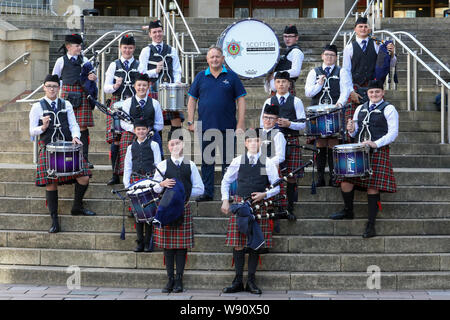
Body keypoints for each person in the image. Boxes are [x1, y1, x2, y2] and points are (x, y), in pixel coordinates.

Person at [330, 80, 399, 238]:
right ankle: (348, 211)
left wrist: (375, 143)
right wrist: (351, 129)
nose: (374, 95)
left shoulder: (389, 108)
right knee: (346, 181)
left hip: (377, 150)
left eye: (377, 92)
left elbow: (393, 133)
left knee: (372, 186)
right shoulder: (360, 108)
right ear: (367, 94)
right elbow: (354, 133)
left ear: (383, 93)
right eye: (371, 93)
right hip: (358, 150)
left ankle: (371, 224)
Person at [29, 74, 96, 234]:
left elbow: (74, 124)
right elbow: (32, 131)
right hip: (48, 148)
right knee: (51, 183)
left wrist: (76, 137)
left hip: (67, 147)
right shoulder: (37, 106)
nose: (52, 89)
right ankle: (54, 220)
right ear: (44, 87)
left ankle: (77, 206)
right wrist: (43, 128)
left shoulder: (65, 104)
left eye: (55, 86)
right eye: (49, 86)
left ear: (59, 88)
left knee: (84, 176)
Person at [221, 130, 280, 294]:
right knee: (238, 244)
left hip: (259, 205)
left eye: (256, 140)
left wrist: (264, 194)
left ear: (260, 142)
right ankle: (238, 281)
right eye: (250, 141)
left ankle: (251, 282)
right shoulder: (238, 161)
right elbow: (226, 181)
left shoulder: (266, 162)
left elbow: (277, 186)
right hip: (240, 205)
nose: (253, 143)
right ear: (246, 143)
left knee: (255, 244)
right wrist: (225, 200)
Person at [187, 46, 247, 202]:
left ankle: (228, 193)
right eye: (211, 57)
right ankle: (208, 192)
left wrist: (241, 123)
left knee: (229, 162)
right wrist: (190, 121)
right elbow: (192, 99)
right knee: (207, 161)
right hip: (205, 126)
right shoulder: (200, 77)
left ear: (223, 58)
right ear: (207, 59)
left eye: (217, 57)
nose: (214, 59)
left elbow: (240, 99)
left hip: (228, 126)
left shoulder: (232, 77)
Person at [152, 128, 205, 293]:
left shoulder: (191, 165)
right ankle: (169, 280)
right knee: (168, 247)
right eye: (172, 143)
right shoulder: (162, 165)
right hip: (166, 210)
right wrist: (161, 184)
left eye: (178, 143)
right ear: (168, 146)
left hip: (184, 207)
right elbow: (154, 188)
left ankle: (179, 280)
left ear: (183, 145)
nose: (175, 146)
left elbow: (200, 188)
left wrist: (182, 192)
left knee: (181, 247)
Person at [304, 44, 353, 187]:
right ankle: (320, 177)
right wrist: (319, 84)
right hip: (318, 113)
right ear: (322, 56)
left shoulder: (341, 71)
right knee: (320, 143)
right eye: (327, 55)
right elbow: (308, 93)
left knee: (333, 143)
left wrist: (338, 105)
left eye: (332, 55)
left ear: (336, 57)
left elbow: (346, 90)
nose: (329, 57)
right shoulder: (314, 72)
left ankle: (333, 176)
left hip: (334, 111)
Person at [260, 71, 305, 220]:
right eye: (278, 82)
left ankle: (290, 208)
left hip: (291, 140)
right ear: (274, 84)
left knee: (291, 177)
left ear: (289, 84)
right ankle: (276, 206)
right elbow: (262, 123)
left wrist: (289, 124)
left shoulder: (296, 101)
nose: (281, 84)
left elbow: (303, 124)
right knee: (273, 176)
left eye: (284, 82)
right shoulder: (269, 101)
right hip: (272, 141)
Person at [52, 33, 97, 169]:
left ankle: (84, 159)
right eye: (77, 46)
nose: (80, 48)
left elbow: (94, 78)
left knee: (82, 126)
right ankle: (68, 158)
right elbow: (55, 79)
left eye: (80, 46)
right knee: (66, 125)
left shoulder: (86, 60)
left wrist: (93, 79)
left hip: (82, 93)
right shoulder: (61, 61)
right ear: (68, 47)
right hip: (66, 94)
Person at [342, 17, 396, 122]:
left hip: (374, 88)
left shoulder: (377, 44)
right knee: (354, 122)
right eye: (360, 26)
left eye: (366, 26)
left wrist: (392, 54)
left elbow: (391, 64)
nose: (363, 29)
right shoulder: (349, 48)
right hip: (356, 88)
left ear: (369, 29)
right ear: (355, 29)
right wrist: (351, 91)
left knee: (376, 121)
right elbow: (346, 71)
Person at [104, 34, 140, 185]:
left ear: (134, 48)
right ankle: (115, 174)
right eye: (125, 47)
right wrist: (115, 86)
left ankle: (131, 172)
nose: (127, 50)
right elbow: (106, 88)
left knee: (133, 138)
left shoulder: (139, 64)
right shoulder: (114, 65)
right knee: (116, 140)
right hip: (117, 104)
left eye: (130, 47)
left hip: (134, 104)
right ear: (120, 48)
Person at [114, 73, 164, 180]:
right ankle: (128, 178)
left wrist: (147, 131)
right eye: (139, 85)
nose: (141, 88)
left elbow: (159, 124)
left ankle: (154, 178)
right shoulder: (127, 102)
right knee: (126, 145)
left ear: (148, 86)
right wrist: (136, 130)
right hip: (131, 133)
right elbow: (123, 123)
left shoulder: (155, 103)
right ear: (134, 86)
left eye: (144, 85)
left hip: (150, 133)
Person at [139, 20, 184, 136]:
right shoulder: (146, 51)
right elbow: (141, 73)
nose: (157, 34)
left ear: (163, 32)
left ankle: (176, 153)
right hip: (153, 88)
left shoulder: (172, 50)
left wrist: (177, 82)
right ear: (150, 34)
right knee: (154, 122)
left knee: (176, 122)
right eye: (154, 32)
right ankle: (158, 152)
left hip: (170, 89)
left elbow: (177, 70)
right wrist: (155, 71)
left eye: (159, 31)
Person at [123, 119, 162, 252]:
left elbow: (158, 164)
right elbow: (127, 166)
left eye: (143, 129)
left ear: (148, 130)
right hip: (135, 182)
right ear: (134, 131)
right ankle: (139, 242)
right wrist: (127, 184)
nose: (141, 131)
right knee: (137, 214)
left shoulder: (154, 145)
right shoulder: (130, 147)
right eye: (138, 129)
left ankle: (148, 242)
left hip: (149, 180)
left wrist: (155, 183)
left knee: (149, 214)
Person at [259, 104, 292, 224]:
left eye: (271, 118)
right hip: (257, 171)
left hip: (271, 169)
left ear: (277, 120)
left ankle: (273, 223)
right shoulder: (257, 133)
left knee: (270, 200)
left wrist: (264, 163)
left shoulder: (278, 135)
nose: (267, 120)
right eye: (265, 117)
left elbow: (281, 157)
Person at [266, 25, 304, 95]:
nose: (287, 39)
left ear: (296, 37)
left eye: (290, 36)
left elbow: (295, 72)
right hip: (278, 92)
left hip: (286, 92)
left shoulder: (296, 52)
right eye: (285, 36)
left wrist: (275, 74)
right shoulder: (288, 51)